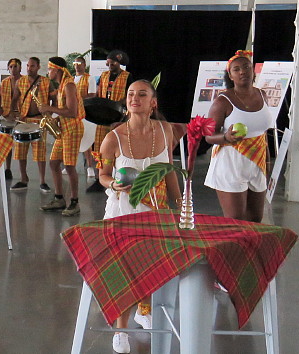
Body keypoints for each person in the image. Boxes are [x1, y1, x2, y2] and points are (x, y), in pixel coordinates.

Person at [96, 79, 181, 353]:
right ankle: (120, 329)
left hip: (156, 209)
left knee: (150, 265)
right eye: (131, 94)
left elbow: (168, 169)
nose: (135, 98)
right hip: (123, 210)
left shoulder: (165, 130)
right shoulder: (113, 138)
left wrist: (179, 204)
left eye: (142, 94)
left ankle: (144, 310)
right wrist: (113, 184)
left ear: (153, 102)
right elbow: (103, 175)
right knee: (125, 268)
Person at [204, 50, 274, 223]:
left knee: (255, 219)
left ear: (253, 70)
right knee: (235, 220)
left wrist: (267, 164)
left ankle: (250, 251)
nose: (242, 71)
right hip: (231, 164)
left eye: (246, 67)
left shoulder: (262, 95)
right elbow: (208, 136)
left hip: (257, 163)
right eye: (236, 69)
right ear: (231, 75)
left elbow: (262, 135)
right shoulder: (222, 101)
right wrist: (226, 137)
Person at [39, 57, 85, 216]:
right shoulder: (62, 86)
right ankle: (59, 198)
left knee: (70, 166)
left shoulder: (69, 85)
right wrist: (56, 119)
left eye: (50, 69)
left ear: (58, 70)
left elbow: (72, 112)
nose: (48, 72)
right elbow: (66, 110)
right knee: (54, 163)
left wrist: (49, 108)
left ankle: (74, 202)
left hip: (72, 129)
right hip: (64, 128)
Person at [87, 50, 134, 193]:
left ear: (119, 63)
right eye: (108, 62)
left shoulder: (127, 76)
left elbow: (129, 95)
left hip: (118, 117)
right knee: (100, 148)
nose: (110, 64)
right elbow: (100, 93)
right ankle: (100, 179)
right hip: (103, 117)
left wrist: (117, 106)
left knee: (118, 147)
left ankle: (118, 178)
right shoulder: (103, 75)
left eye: (113, 62)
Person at [9, 57, 53, 193]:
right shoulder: (20, 81)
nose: (29, 68)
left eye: (32, 66)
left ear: (39, 67)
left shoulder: (46, 82)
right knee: (21, 151)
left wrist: (51, 114)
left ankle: (42, 181)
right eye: (27, 66)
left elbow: (54, 99)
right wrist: (13, 113)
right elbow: (14, 98)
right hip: (24, 120)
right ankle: (23, 178)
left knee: (40, 152)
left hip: (39, 120)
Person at [0, 58, 23, 180]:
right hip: (7, 115)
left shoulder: (25, 81)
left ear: (20, 68)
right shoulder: (4, 82)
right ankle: (7, 168)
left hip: (21, 116)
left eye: (15, 66)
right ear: (8, 68)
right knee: (7, 144)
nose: (13, 69)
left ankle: (23, 173)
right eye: (11, 67)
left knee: (21, 145)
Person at [73, 56, 97, 179]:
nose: (77, 65)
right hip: (73, 114)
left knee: (86, 140)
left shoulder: (89, 78)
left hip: (85, 114)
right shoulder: (71, 79)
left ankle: (90, 166)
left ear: (84, 64)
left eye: (79, 63)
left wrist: (77, 100)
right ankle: (70, 165)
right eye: (75, 63)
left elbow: (92, 94)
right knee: (72, 139)